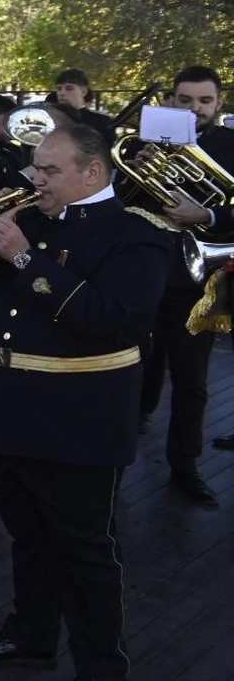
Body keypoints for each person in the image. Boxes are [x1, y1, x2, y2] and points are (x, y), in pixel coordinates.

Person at [0, 123, 173, 681]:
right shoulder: (33, 222)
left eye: (50, 171)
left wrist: (23, 258)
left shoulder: (138, 235)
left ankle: (102, 665)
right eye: (34, 168)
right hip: (12, 403)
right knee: (26, 531)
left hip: (79, 415)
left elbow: (110, 319)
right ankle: (30, 635)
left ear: (94, 173)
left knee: (85, 546)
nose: (35, 180)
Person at [138, 66, 234, 505]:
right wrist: (135, 172)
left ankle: (185, 466)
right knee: (135, 364)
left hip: (206, 278)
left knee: (192, 379)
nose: (194, 109)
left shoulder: (232, 146)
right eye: (184, 100)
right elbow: (121, 206)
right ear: (171, 102)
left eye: (204, 101)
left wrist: (208, 216)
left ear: (219, 104)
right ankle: (122, 443)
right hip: (146, 271)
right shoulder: (146, 145)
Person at [53, 69, 114, 142]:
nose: (61, 93)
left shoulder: (102, 122)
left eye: (69, 88)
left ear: (84, 92)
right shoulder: (50, 118)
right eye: (59, 89)